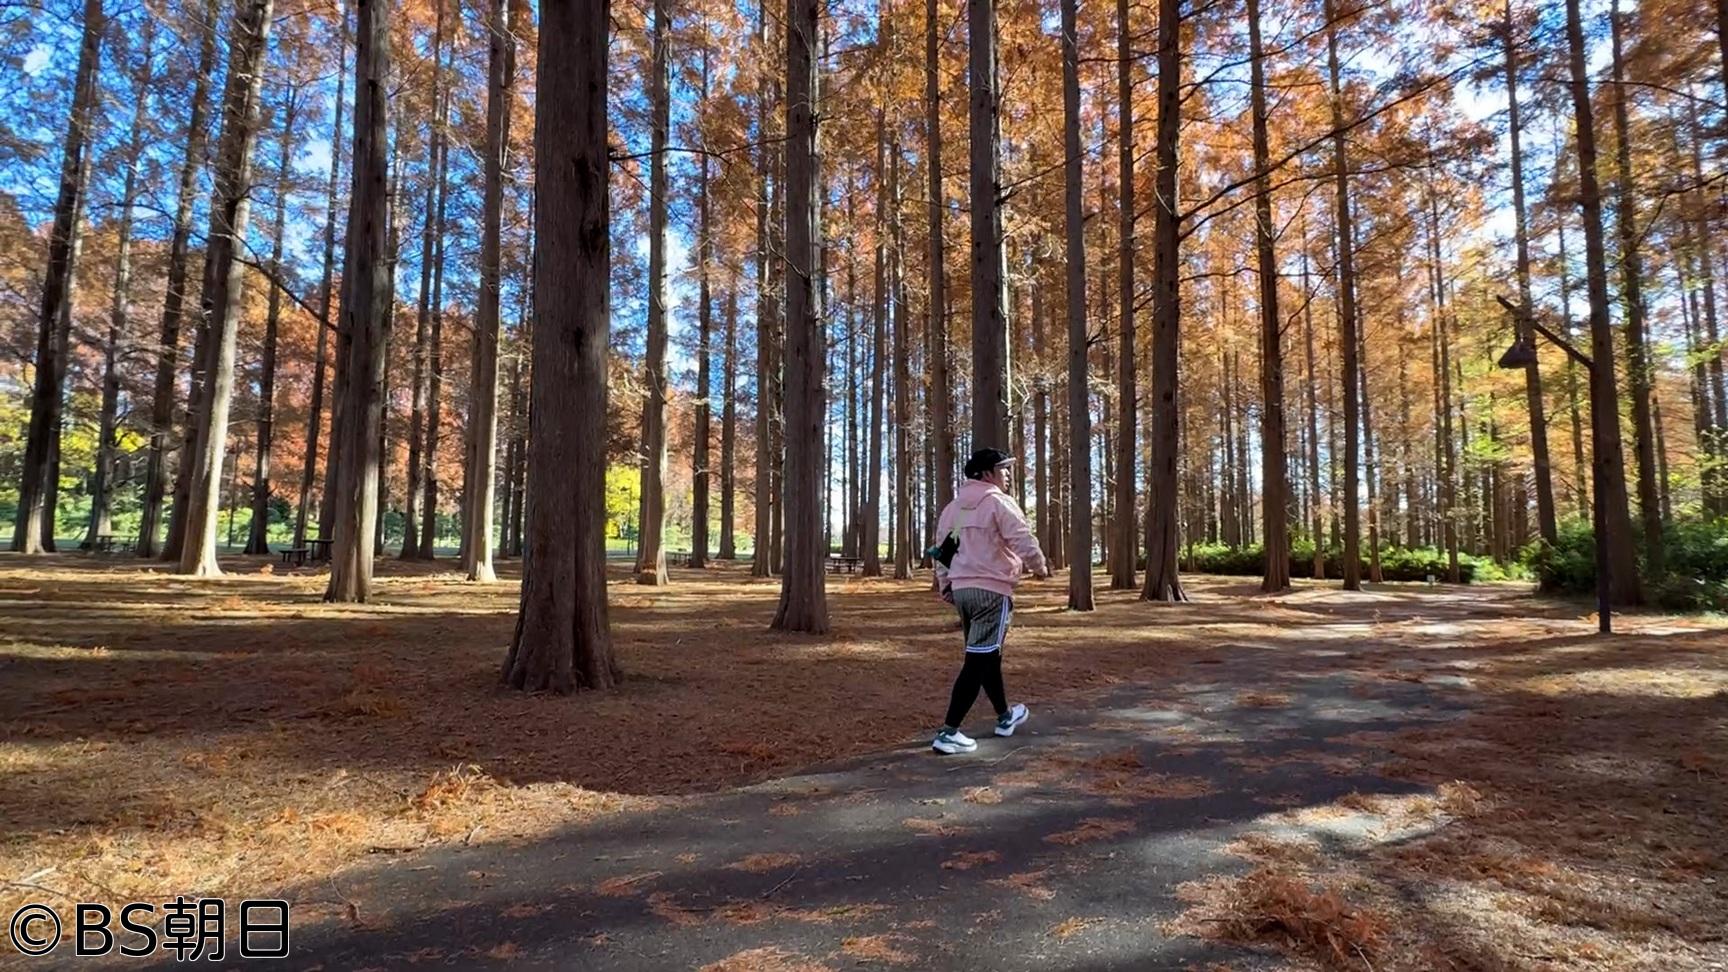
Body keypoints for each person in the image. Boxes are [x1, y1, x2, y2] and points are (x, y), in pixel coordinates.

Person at [929, 447, 1050, 754]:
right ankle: (948, 732)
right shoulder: (998, 502)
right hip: (991, 591)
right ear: (987, 474)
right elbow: (1021, 537)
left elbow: (944, 553)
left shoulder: (955, 509)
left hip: (963, 591)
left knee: (987, 655)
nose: (1007, 474)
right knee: (978, 660)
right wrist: (1039, 566)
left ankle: (1005, 716)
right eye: (1003, 469)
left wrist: (947, 586)